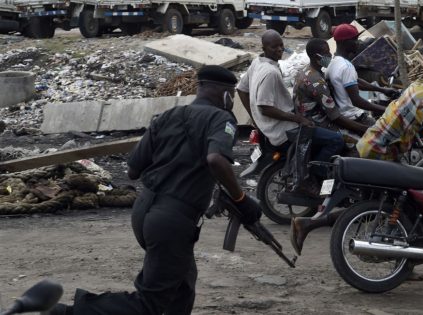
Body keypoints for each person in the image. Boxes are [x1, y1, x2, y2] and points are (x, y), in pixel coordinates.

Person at [45, 65, 263, 315]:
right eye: (232, 94)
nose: (232, 99)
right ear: (225, 94)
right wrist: (241, 198)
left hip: (143, 210)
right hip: (172, 219)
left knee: (182, 286)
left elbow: (133, 171)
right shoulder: (220, 119)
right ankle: (69, 312)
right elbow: (216, 160)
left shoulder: (166, 116)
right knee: (150, 303)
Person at [290, 63, 423, 259]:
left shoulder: (420, 85)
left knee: (378, 207)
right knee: (398, 207)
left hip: (376, 147)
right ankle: (401, 261)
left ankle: (308, 224)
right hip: (379, 152)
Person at [237, 30, 344, 192]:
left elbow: (241, 89)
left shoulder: (257, 63)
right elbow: (265, 107)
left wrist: (255, 119)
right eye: (274, 47)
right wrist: (298, 119)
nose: (279, 49)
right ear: (264, 47)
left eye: (281, 45)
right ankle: (313, 176)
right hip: (284, 129)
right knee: (337, 140)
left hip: (272, 126)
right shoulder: (271, 73)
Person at [293, 38, 368, 137]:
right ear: (317, 56)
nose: (330, 55)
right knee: (350, 141)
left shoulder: (304, 71)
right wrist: (364, 129)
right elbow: (335, 117)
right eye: (326, 53)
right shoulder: (317, 82)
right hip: (314, 123)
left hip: (303, 117)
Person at [326, 23, 398, 126]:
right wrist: (387, 110)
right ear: (345, 42)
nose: (358, 43)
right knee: (388, 132)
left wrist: (382, 90)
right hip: (353, 116)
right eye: (355, 39)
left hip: (343, 113)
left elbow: (357, 82)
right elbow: (357, 101)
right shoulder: (347, 66)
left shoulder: (334, 62)